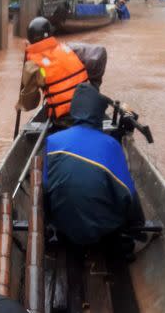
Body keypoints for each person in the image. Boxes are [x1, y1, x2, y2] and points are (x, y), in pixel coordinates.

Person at [44, 82, 145, 247]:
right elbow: (128, 194)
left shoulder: (52, 141)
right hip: (103, 232)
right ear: (99, 113)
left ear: (73, 109)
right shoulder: (111, 145)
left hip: (63, 227)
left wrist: (49, 220)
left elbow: (45, 187)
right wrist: (137, 226)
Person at [16, 17, 106, 124]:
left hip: (63, 118)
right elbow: (100, 53)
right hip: (89, 107)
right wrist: (95, 87)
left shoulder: (32, 64)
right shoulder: (69, 48)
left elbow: (29, 104)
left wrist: (28, 55)